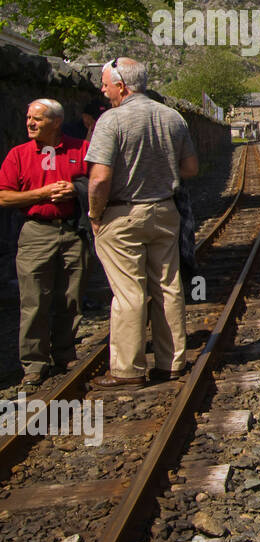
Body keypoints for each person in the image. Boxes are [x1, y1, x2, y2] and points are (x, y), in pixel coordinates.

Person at [86, 58, 199, 388]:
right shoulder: (172, 117)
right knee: (168, 286)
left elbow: (99, 179)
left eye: (105, 84)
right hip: (165, 212)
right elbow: (190, 168)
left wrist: (95, 215)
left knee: (128, 293)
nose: (103, 90)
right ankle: (172, 363)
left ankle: (128, 370)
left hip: (122, 214)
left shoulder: (111, 121)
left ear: (122, 86)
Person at [0, 100, 91, 390]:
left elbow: (100, 182)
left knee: (71, 296)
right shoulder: (18, 154)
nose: (30, 123)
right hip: (36, 231)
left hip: (72, 230)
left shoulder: (80, 148)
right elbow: (3, 197)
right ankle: (34, 364)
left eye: (37, 118)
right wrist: (40, 194)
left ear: (56, 122)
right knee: (34, 299)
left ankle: (65, 354)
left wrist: (75, 190)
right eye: (28, 117)